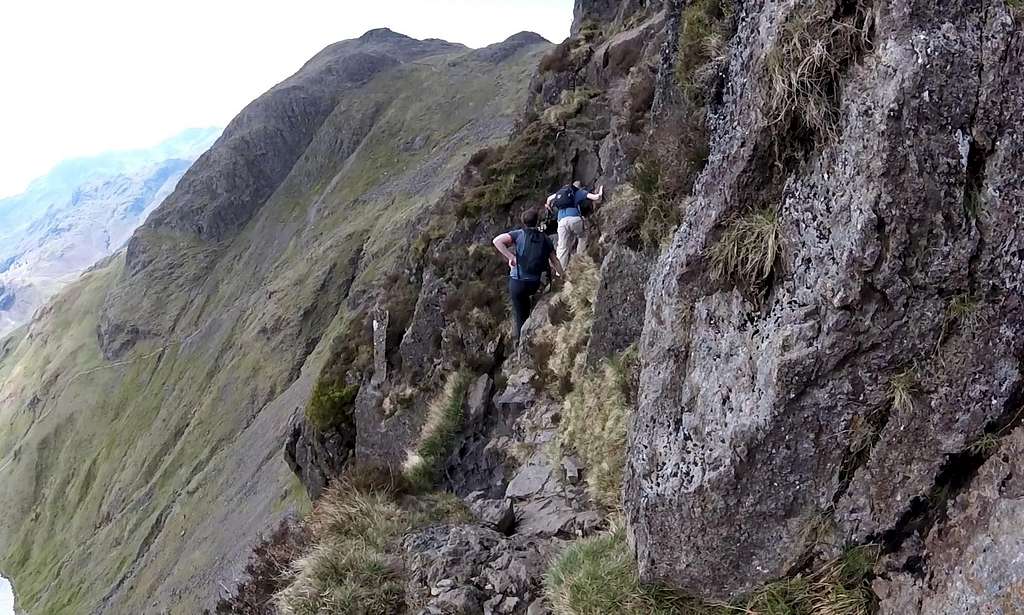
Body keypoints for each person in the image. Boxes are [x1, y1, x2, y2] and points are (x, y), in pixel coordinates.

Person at [492, 209, 565, 340]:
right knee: (527, 301)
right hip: (534, 283)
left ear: (523, 222)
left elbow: (497, 241)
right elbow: (555, 261)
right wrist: (564, 278)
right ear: (537, 221)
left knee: (520, 314)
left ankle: (521, 341)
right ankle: (531, 322)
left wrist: (511, 257)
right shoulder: (545, 239)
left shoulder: (518, 234)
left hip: (517, 283)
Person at [545, 180, 603, 269]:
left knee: (562, 247)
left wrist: (548, 207)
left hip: (561, 221)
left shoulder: (559, 194)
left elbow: (548, 199)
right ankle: (579, 260)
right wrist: (601, 190)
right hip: (575, 219)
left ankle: (560, 272)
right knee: (582, 236)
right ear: (578, 187)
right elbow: (596, 197)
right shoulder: (578, 192)